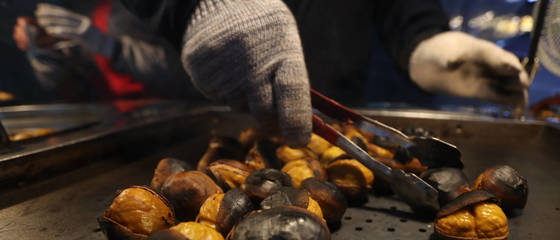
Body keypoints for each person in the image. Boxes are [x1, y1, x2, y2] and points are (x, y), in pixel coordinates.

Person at [32, 0, 529, 147]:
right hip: (214, 113)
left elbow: (405, 8)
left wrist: (431, 44)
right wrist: (195, 3)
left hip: (338, 118)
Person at [13, 1, 197, 103]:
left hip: (170, 110)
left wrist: (106, 44)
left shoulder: (133, 9)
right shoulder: (73, 9)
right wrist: (42, 52)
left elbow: (177, 73)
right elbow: (66, 87)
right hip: (115, 119)